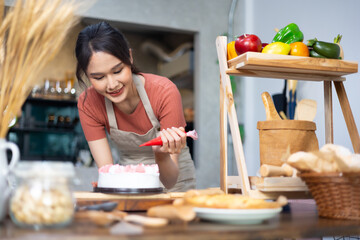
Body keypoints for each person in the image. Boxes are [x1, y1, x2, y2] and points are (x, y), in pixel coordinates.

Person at [75, 21, 196, 192]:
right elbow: (107, 171)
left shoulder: (164, 92)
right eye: (99, 77)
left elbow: (169, 181)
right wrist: (107, 184)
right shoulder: (88, 103)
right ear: (87, 75)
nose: (111, 84)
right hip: (130, 184)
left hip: (175, 182)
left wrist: (160, 156)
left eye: (117, 71)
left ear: (129, 58)